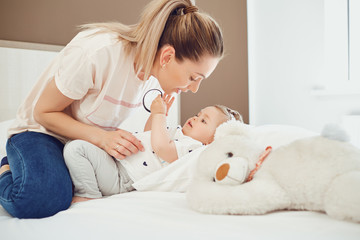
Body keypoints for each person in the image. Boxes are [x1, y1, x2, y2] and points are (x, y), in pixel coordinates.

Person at [0, 0, 224, 218]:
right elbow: (43, 113)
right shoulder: (98, 52)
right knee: (39, 199)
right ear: (167, 57)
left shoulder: (152, 76)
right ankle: (6, 168)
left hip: (81, 143)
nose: (194, 89)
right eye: (194, 78)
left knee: (67, 186)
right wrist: (102, 138)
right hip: (42, 133)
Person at [64, 94, 243, 203]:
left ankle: (88, 194)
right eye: (198, 114)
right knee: (77, 145)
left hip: (123, 178)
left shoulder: (193, 149)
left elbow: (161, 147)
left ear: (211, 141)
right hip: (118, 163)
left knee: (76, 150)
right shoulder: (178, 133)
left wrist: (159, 115)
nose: (195, 118)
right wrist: (158, 114)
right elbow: (149, 133)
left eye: (203, 121)